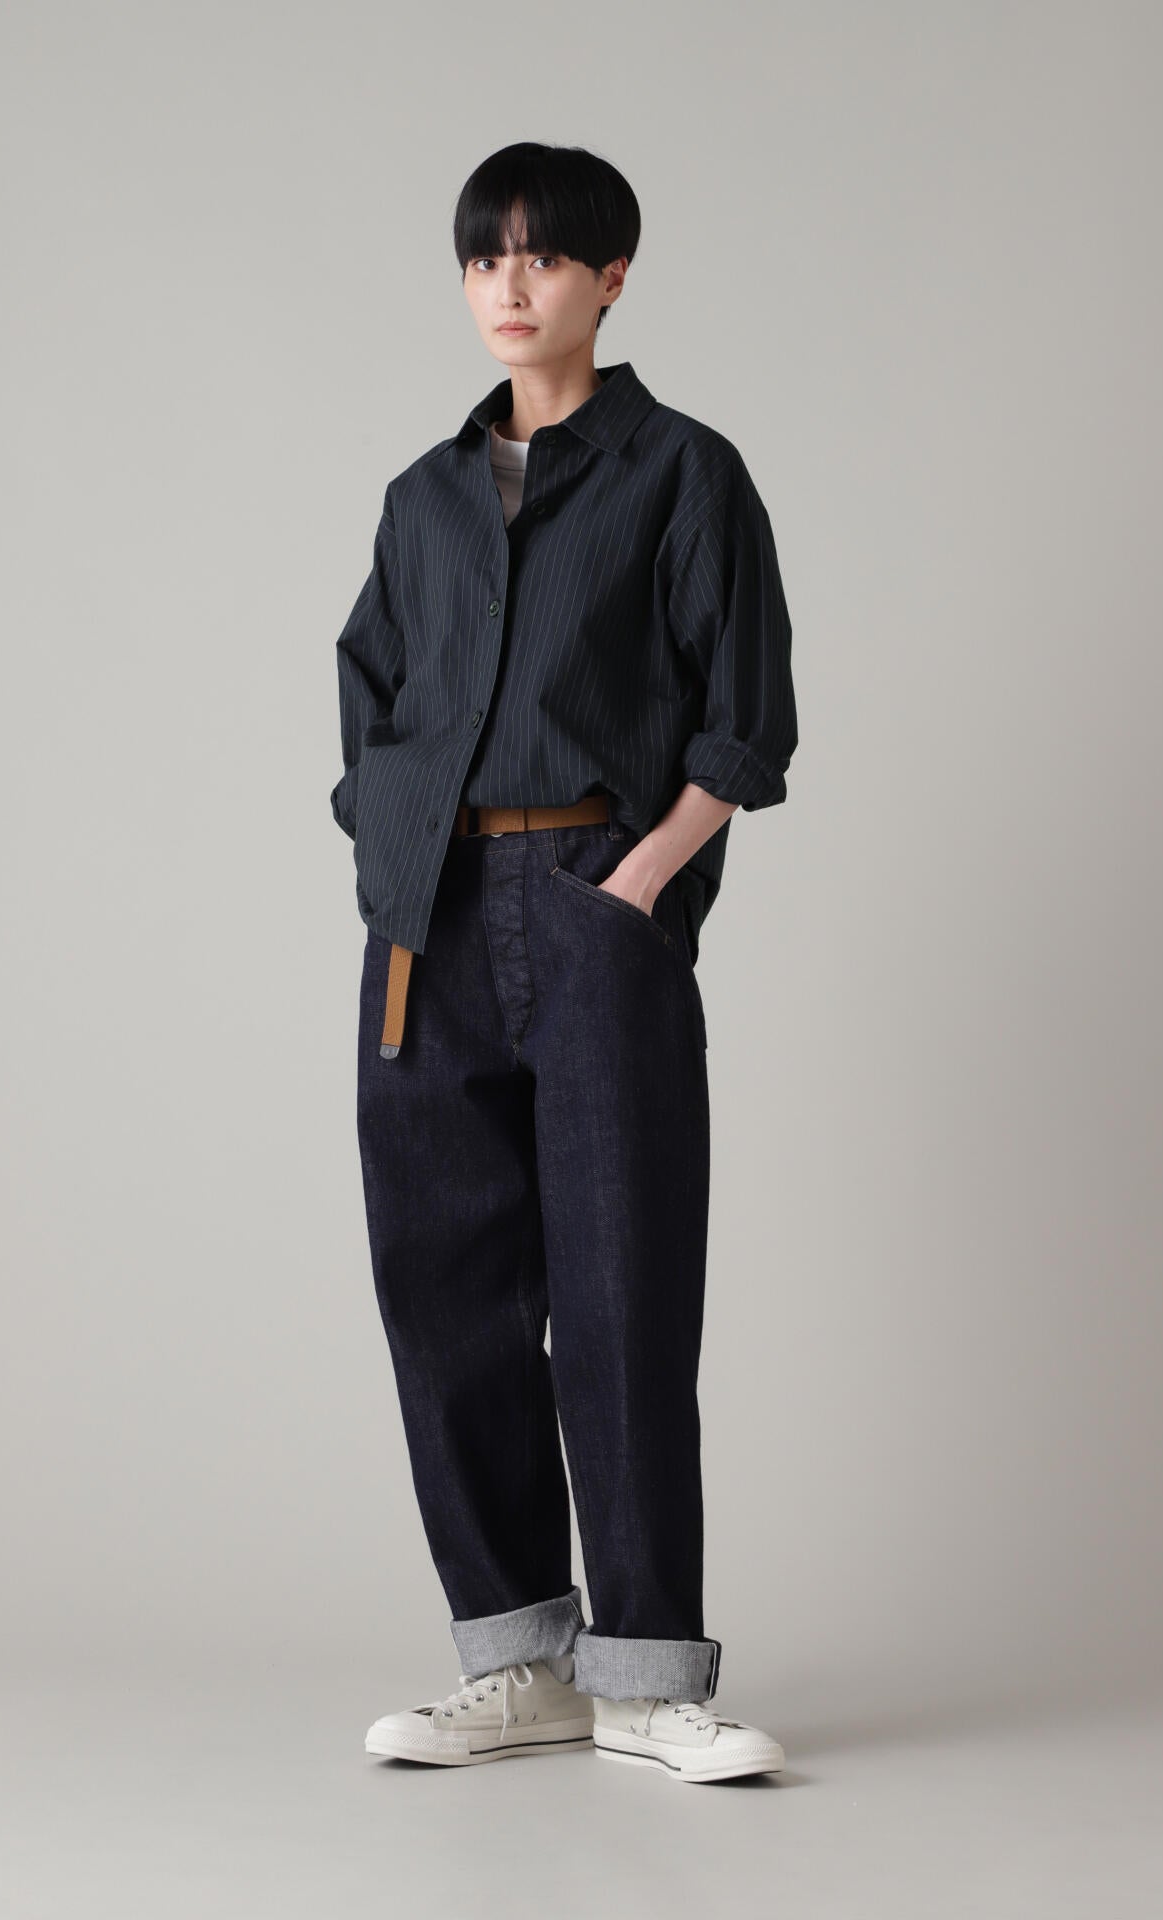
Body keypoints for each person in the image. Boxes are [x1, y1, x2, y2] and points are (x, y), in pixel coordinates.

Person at [330, 142, 798, 1784]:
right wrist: (394, 856)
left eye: (542, 257)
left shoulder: (685, 473)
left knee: (620, 1287)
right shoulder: (422, 499)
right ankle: (517, 1659)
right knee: (445, 1296)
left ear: (613, 276)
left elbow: (747, 718)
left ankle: (651, 1678)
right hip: (431, 924)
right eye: (486, 259)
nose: (511, 286)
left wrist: (637, 887)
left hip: (597, 897)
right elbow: (369, 708)